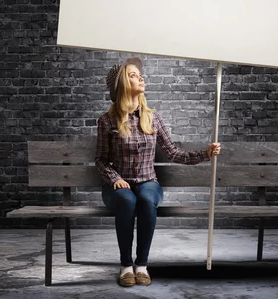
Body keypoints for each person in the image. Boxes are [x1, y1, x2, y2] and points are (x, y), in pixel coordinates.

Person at [95, 57, 221, 287]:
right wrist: (115, 178)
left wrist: (205, 154)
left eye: (139, 74)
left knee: (144, 198)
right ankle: (125, 265)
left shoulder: (153, 118)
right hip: (118, 186)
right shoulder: (106, 121)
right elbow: (101, 160)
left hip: (147, 182)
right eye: (133, 75)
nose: (140, 77)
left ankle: (141, 265)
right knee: (126, 199)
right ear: (122, 84)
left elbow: (173, 153)